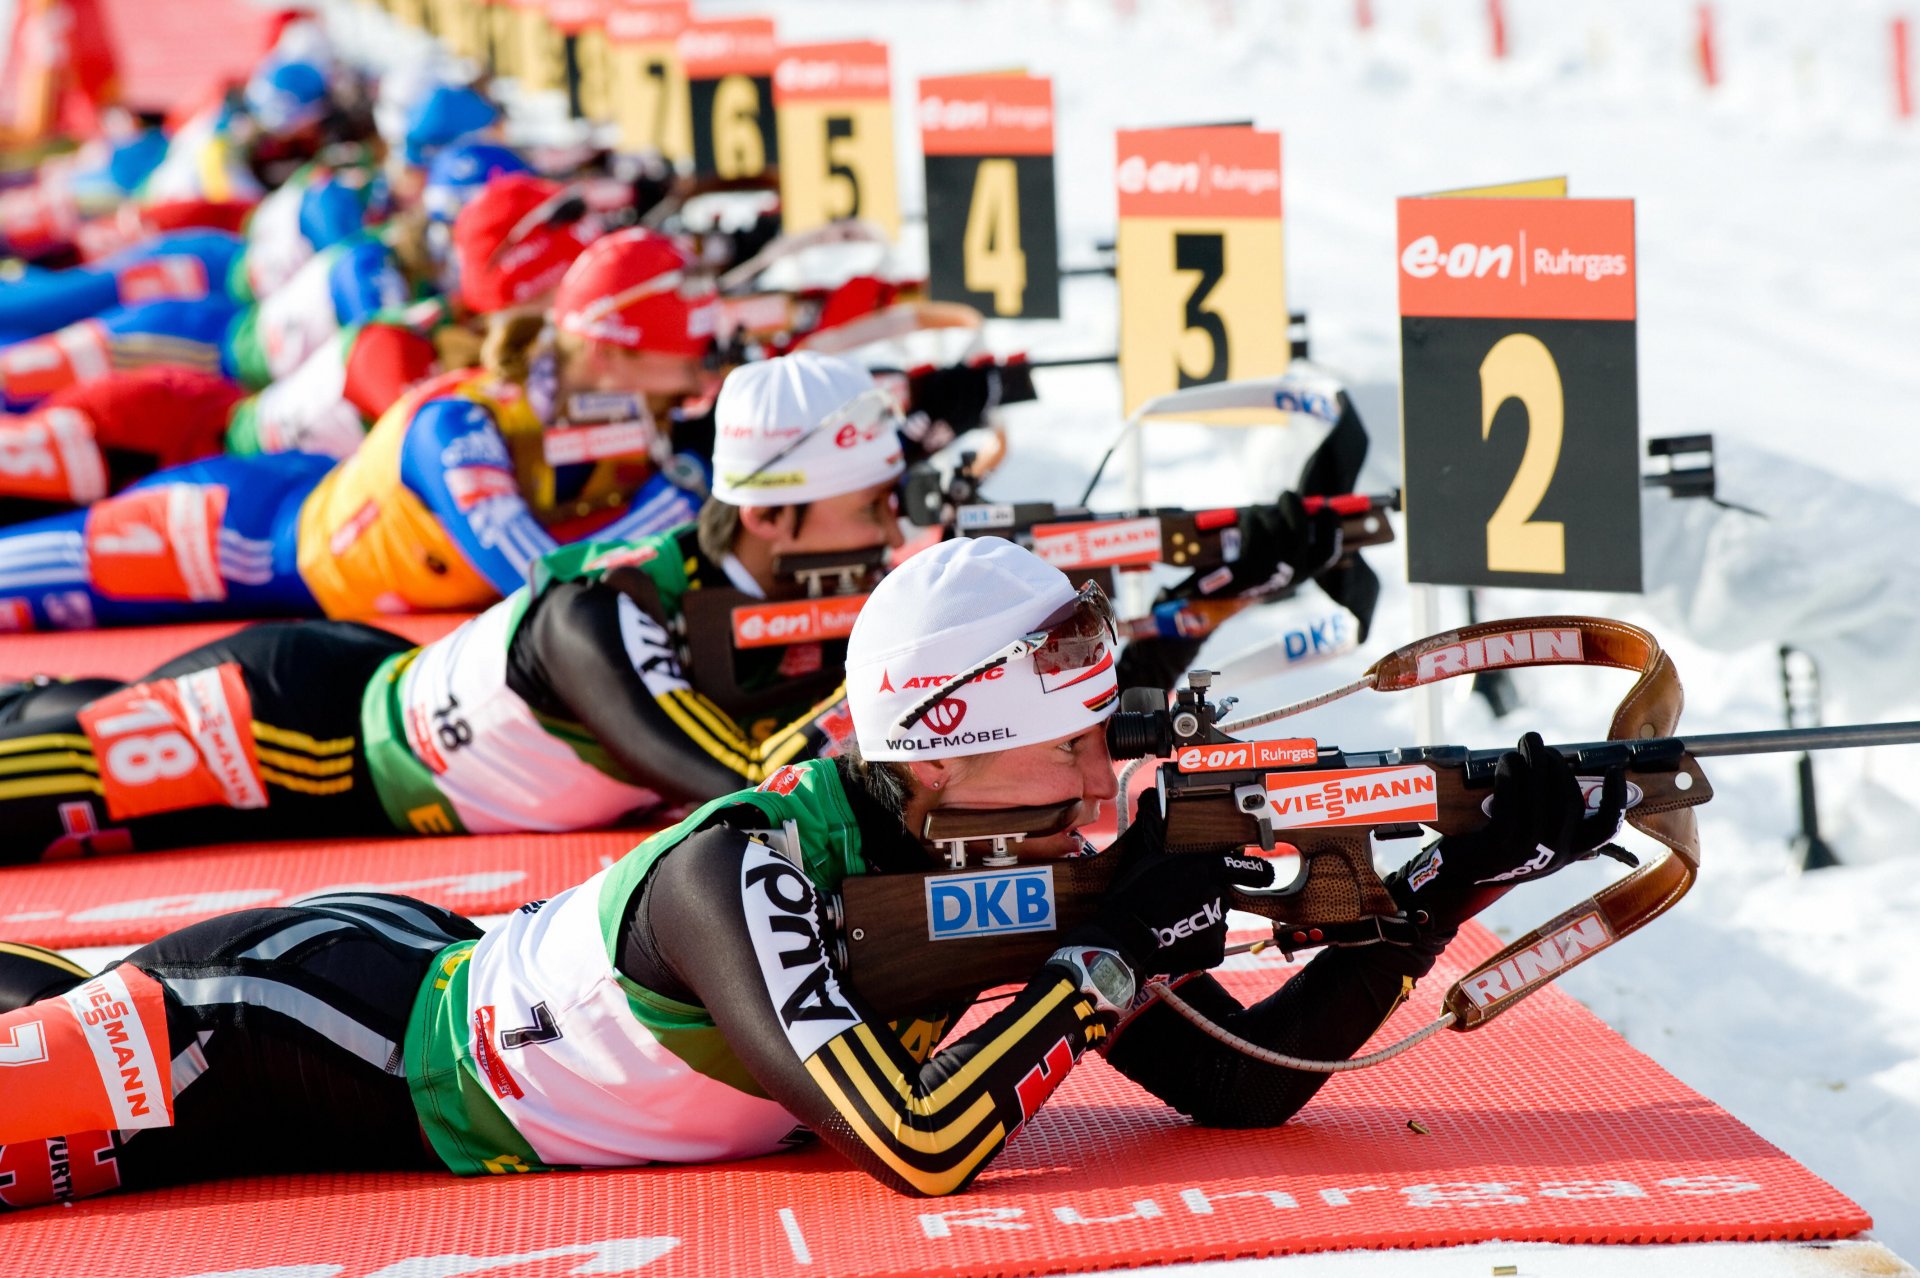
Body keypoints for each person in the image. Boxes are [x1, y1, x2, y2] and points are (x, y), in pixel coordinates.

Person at [0, 534, 1630, 1207]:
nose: (1097, 778)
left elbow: (1237, 1085)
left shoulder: (993, 862)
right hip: (298, 1029)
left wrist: (1452, 879)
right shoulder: (740, 874)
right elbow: (920, 1144)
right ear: (938, 746)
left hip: (425, 945)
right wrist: (1119, 947)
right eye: (1062, 745)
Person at [0, 351, 901, 858]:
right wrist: (905, 663)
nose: (891, 530)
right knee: (32, 799)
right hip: (299, 735)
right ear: (772, 516)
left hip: (347, 688)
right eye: (872, 506)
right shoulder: (601, 615)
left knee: (54, 724)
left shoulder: (749, 592)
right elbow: (745, 787)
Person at [0, 223, 712, 630]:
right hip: (241, 536)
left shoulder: (626, 410)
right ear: (616, 351)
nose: (708, 359)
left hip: (304, 508)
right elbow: (533, 578)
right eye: (691, 347)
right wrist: (671, 507)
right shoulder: (460, 424)